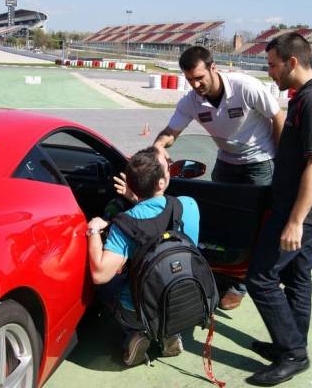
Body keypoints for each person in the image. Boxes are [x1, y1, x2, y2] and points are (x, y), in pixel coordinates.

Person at [153, 45, 285, 310]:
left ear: (214, 68)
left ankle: (242, 283)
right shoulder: (190, 101)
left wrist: (283, 161)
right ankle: (223, 270)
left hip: (260, 163)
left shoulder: (245, 86)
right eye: (190, 79)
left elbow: (278, 117)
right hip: (226, 161)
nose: (196, 84)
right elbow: (171, 131)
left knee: (255, 228)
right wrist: (158, 146)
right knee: (223, 222)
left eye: (200, 77)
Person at [244, 32, 312, 386]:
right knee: (297, 278)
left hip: (300, 213)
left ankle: (293, 353)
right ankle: (292, 344)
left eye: (272, 65)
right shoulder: (306, 97)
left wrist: (296, 221)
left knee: (260, 277)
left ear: (292, 62)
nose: (269, 71)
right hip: (301, 209)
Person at [87, 146, 200, 366]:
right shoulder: (188, 206)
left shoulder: (124, 223)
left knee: (105, 287)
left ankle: (136, 333)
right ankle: (170, 332)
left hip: (138, 308)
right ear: (160, 183)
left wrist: (93, 230)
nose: (169, 169)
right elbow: (158, 218)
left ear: (130, 184)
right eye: (167, 168)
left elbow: (99, 275)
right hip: (180, 299)